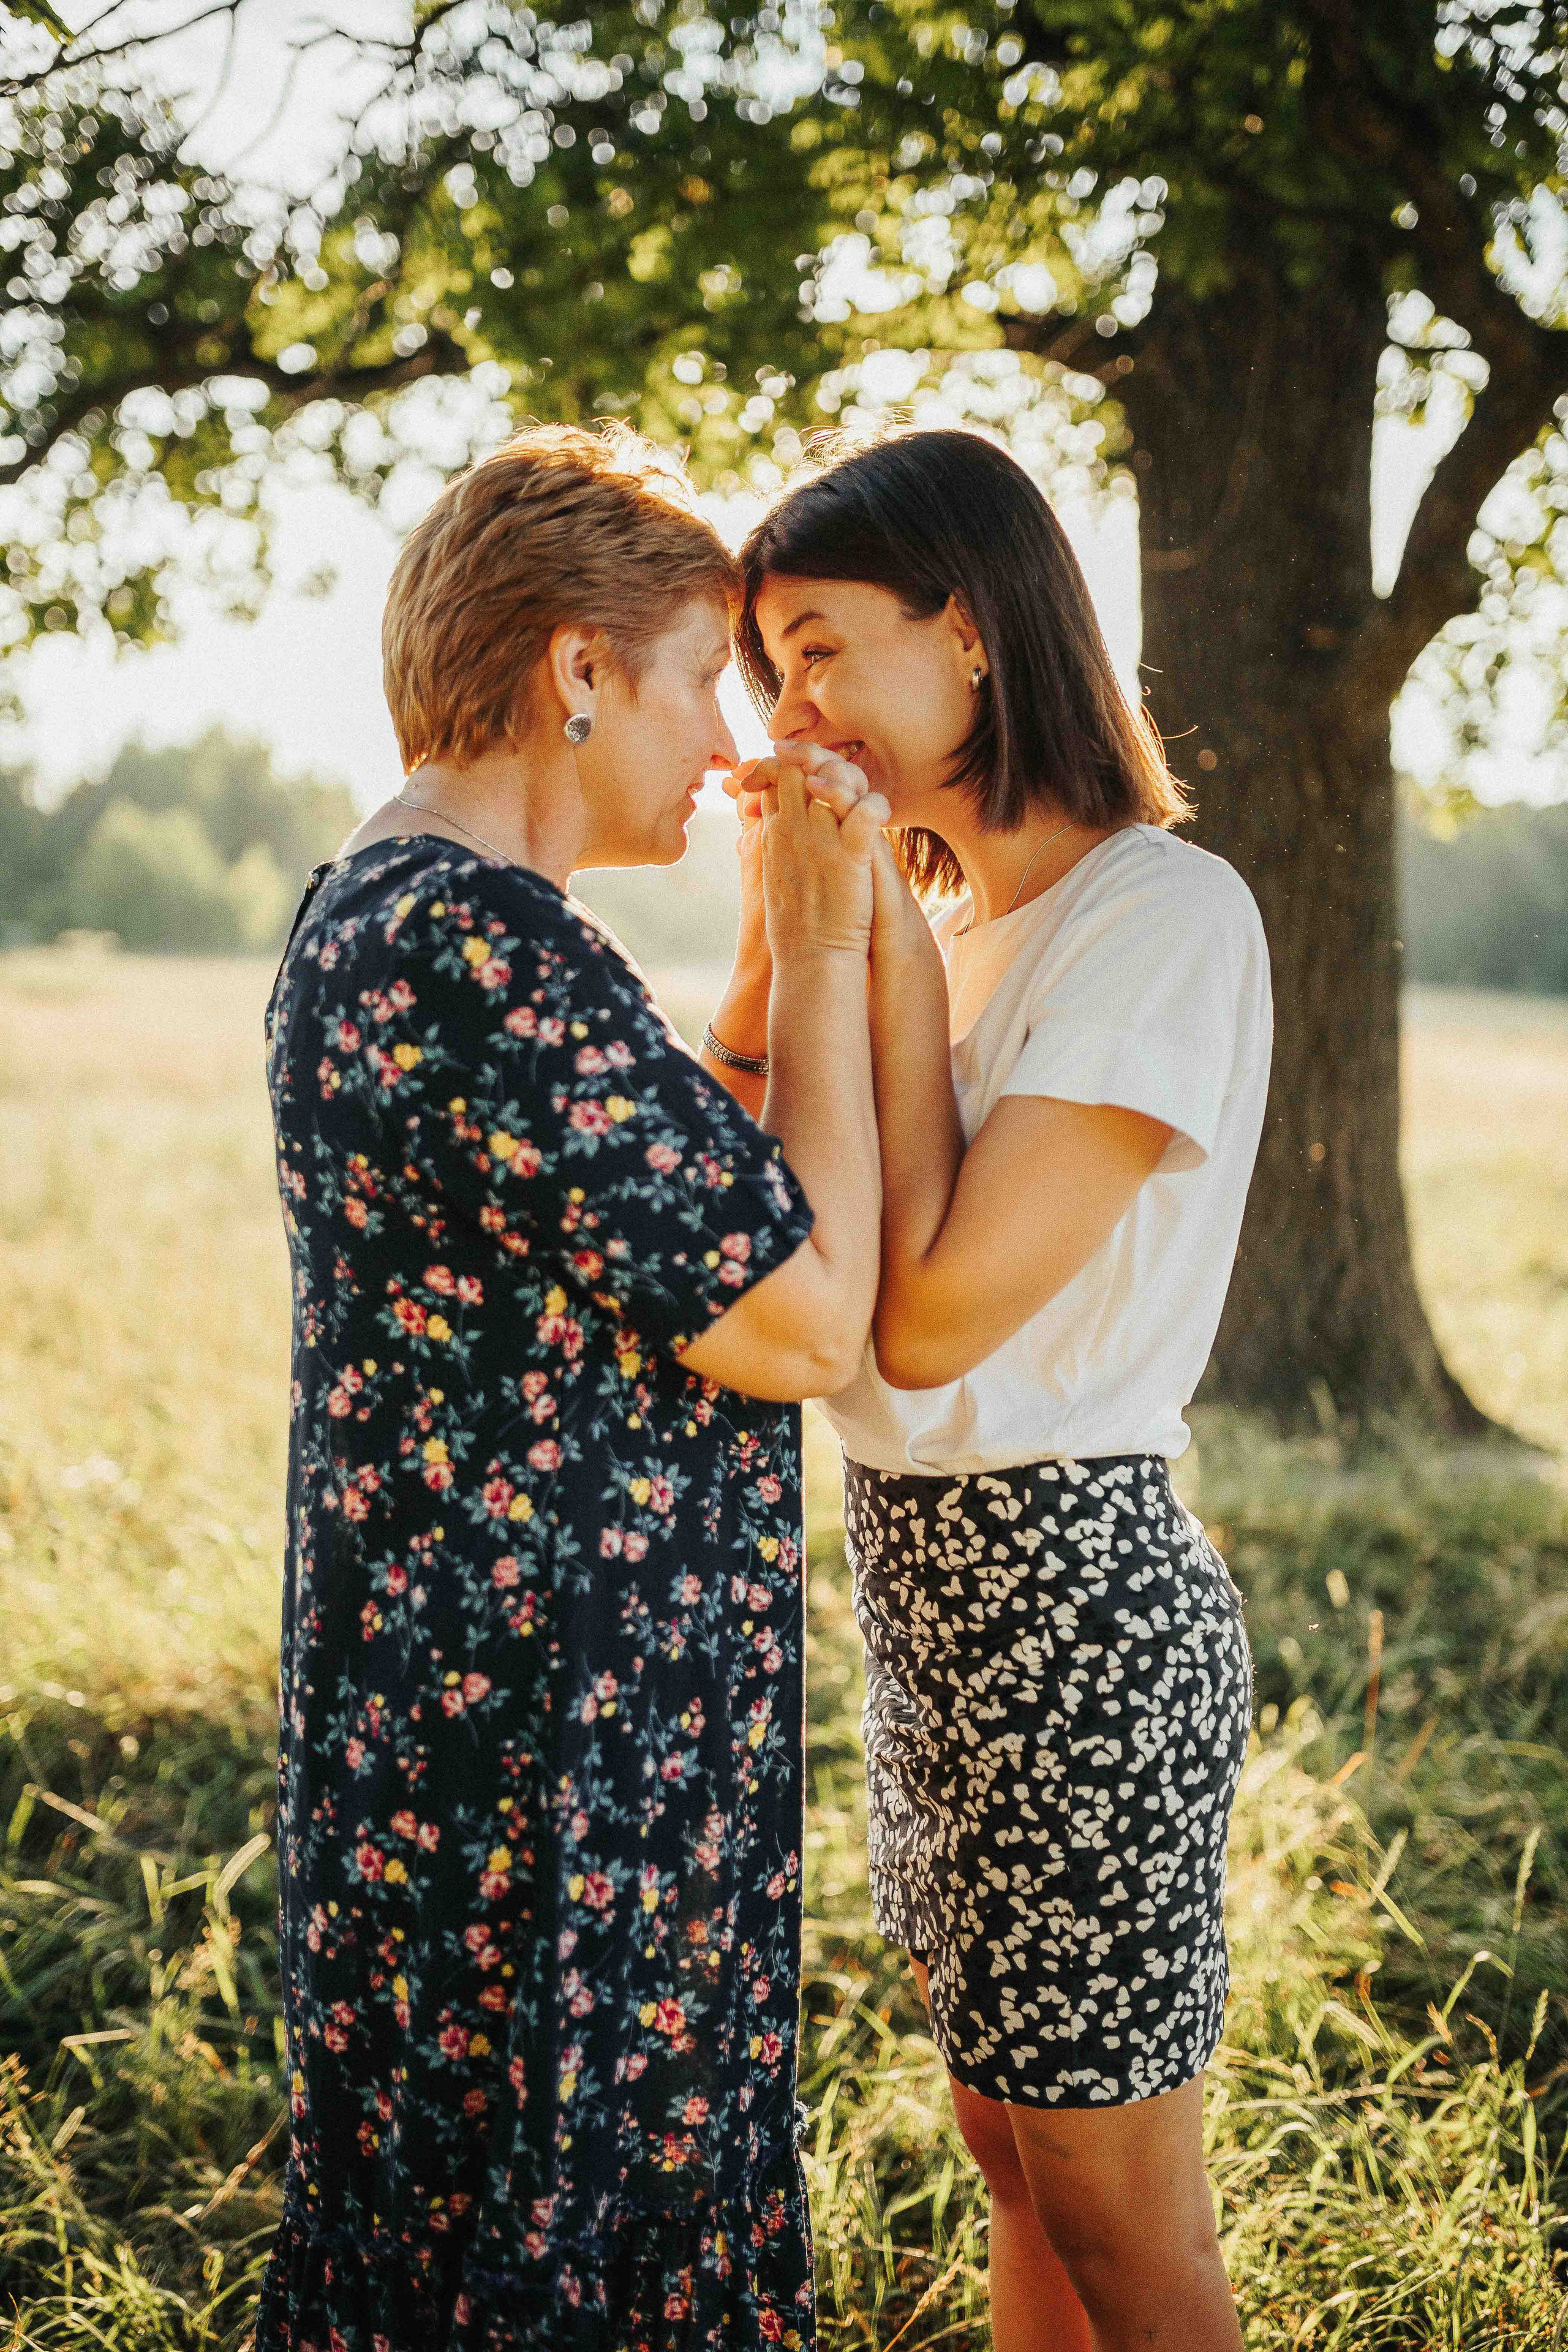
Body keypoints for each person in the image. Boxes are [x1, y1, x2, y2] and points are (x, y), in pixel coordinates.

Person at [257, 424, 888, 2352]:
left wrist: (783, 931)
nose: (727, 740)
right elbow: (807, 1316)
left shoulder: (392, 917)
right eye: (707, 676)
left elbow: (682, 1191)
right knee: (557, 2249)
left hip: (473, 1728)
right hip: (556, 1770)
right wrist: (846, 934)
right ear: (578, 668)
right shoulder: (482, 950)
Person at [726, 428, 1272, 2352]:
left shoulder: (1160, 915)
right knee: (1005, 2142)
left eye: (814, 649)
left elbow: (932, 1318)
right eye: (766, 670)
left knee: (1126, 2218)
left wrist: (850, 938)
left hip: (1072, 1594)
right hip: (930, 1588)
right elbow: (758, 1184)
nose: (789, 705)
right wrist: (809, 920)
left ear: (967, 631)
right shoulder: (948, 933)